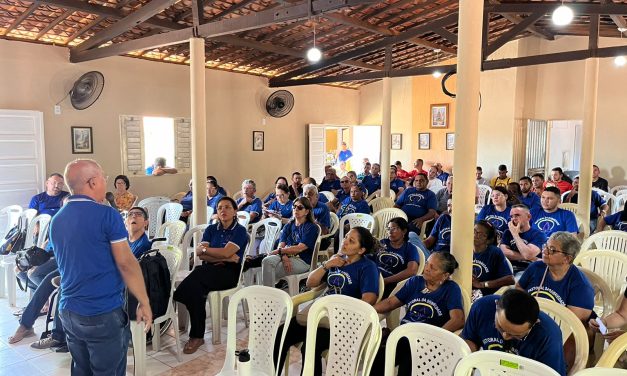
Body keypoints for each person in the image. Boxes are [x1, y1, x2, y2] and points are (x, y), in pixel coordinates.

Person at [50, 159, 152, 375]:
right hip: (101, 312)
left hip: (68, 310)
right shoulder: (107, 215)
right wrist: (144, 301)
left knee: (82, 369)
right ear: (93, 182)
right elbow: (126, 263)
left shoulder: (57, 219)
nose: (106, 183)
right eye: (104, 178)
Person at [273, 227, 380, 376]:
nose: (345, 242)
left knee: (310, 346)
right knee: (281, 334)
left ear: (361, 250)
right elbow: (311, 283)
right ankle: (274, 372)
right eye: (346, 237)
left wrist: (341, 309)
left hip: (341, 321)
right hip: (320, 313)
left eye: (351, 241)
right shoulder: (337, 259)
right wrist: (327, 264)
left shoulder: (368, 267)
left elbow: (369, 299)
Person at [174, 196, 249, 354]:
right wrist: (223, 255)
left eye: (228, 207)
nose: (223, 210)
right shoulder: (211, 229)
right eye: (220, 207)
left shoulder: (240, 231)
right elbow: (200, 255)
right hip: (210, 270)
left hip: (229, 273)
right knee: (197, 291)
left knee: (196, 277)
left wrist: (217, 253)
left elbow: (222, 252)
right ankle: (197, 336)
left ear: (235, 211)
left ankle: (178, 296)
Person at [371, 252, 464, 375]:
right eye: (427, 264)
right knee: (377, 360)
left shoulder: (451, 289)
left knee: (409, 365)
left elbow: (458, 319)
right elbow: (390, 303)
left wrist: (435, 337)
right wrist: (368, 309)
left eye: (433, 268)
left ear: (445, 275)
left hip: (427, 341)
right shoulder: (415, 282)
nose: (426, 268)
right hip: (404, 335)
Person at [517, 231, 594, 369]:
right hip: (527, 323)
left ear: (567, 259)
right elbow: (518, 293)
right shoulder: (535, 268)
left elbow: (571, 326)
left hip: (558, 333)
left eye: (552, 250)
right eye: (545, 246)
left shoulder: (581, 286)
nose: (545, 251)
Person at [461, 289, 566, 376]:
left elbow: (550, 373)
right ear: (496, 306)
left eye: (516, 335)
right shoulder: (482, 308)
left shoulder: (549, 338)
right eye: (501, 327)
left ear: (534, 324)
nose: (505, 336)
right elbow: (469, 340)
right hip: (488, 369)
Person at [261, 197, 319, 287]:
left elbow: (299, 248)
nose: (296, 209)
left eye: (300, 207)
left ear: (307, 212)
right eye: (294, 206)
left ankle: (270, 295)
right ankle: (270, 293)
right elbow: (281, 244)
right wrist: (283, 256)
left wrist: (278, 252)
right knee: (266, 261)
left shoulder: (311, 227)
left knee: (271, 269)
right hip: (285, 255)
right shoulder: (289, 225)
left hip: (302, 260)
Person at [368, 217, 420, 298]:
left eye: (393, 228)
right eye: (388, 229)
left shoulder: (410, 248)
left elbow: (412, 270)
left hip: (391, 285)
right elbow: (368, 259)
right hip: (372, 278)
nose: (390, 232)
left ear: (404, 231)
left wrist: (386, 281)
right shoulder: (383, 242)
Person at [499, 205, 547, 274]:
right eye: (511, 216)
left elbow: (528, 254)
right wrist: (533, 258)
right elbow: (503, 252)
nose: (513, 219)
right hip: (508, 269)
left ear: (528, 217)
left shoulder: (539, 235)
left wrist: (515, 234)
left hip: (528, 270)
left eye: (517, 215)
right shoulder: (508, 232)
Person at [472, 221, 514, 296]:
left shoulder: (494, 252)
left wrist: (482, 284)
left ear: (488, 240)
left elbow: (510, 279)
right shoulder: (464, 249)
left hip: (487, 295)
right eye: (474, 231)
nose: (475, 235)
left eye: (480, 234)